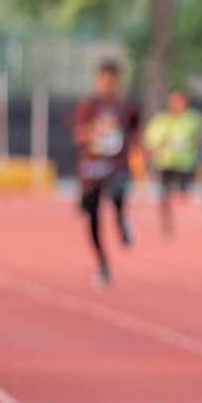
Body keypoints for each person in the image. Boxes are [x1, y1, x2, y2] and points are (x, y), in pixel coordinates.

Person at [71, 60, 141, 287]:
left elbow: (136, 136)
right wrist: (96, 131)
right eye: (104, 79)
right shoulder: (89, 105)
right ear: (98, 80)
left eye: (113, 80)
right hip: (92, 167)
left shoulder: (128, 107)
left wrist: (140, 162)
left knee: (118, 190)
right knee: (92, 216)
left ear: (119, 81)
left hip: (116, 164)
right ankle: (103, 264)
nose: (108, 84)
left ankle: (123, 221)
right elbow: (78, 135)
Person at [142, 89, 202, 240]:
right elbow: (151, 141)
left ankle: (186, 200)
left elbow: (201, 138)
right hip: (166, 163)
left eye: (181, 101)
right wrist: (164, 143)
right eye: (175, 101)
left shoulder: (193, 119)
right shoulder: (162, 120)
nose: (179, 104)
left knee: (185, 196)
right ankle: (167, 228)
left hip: (186, 164)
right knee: (165, 198)